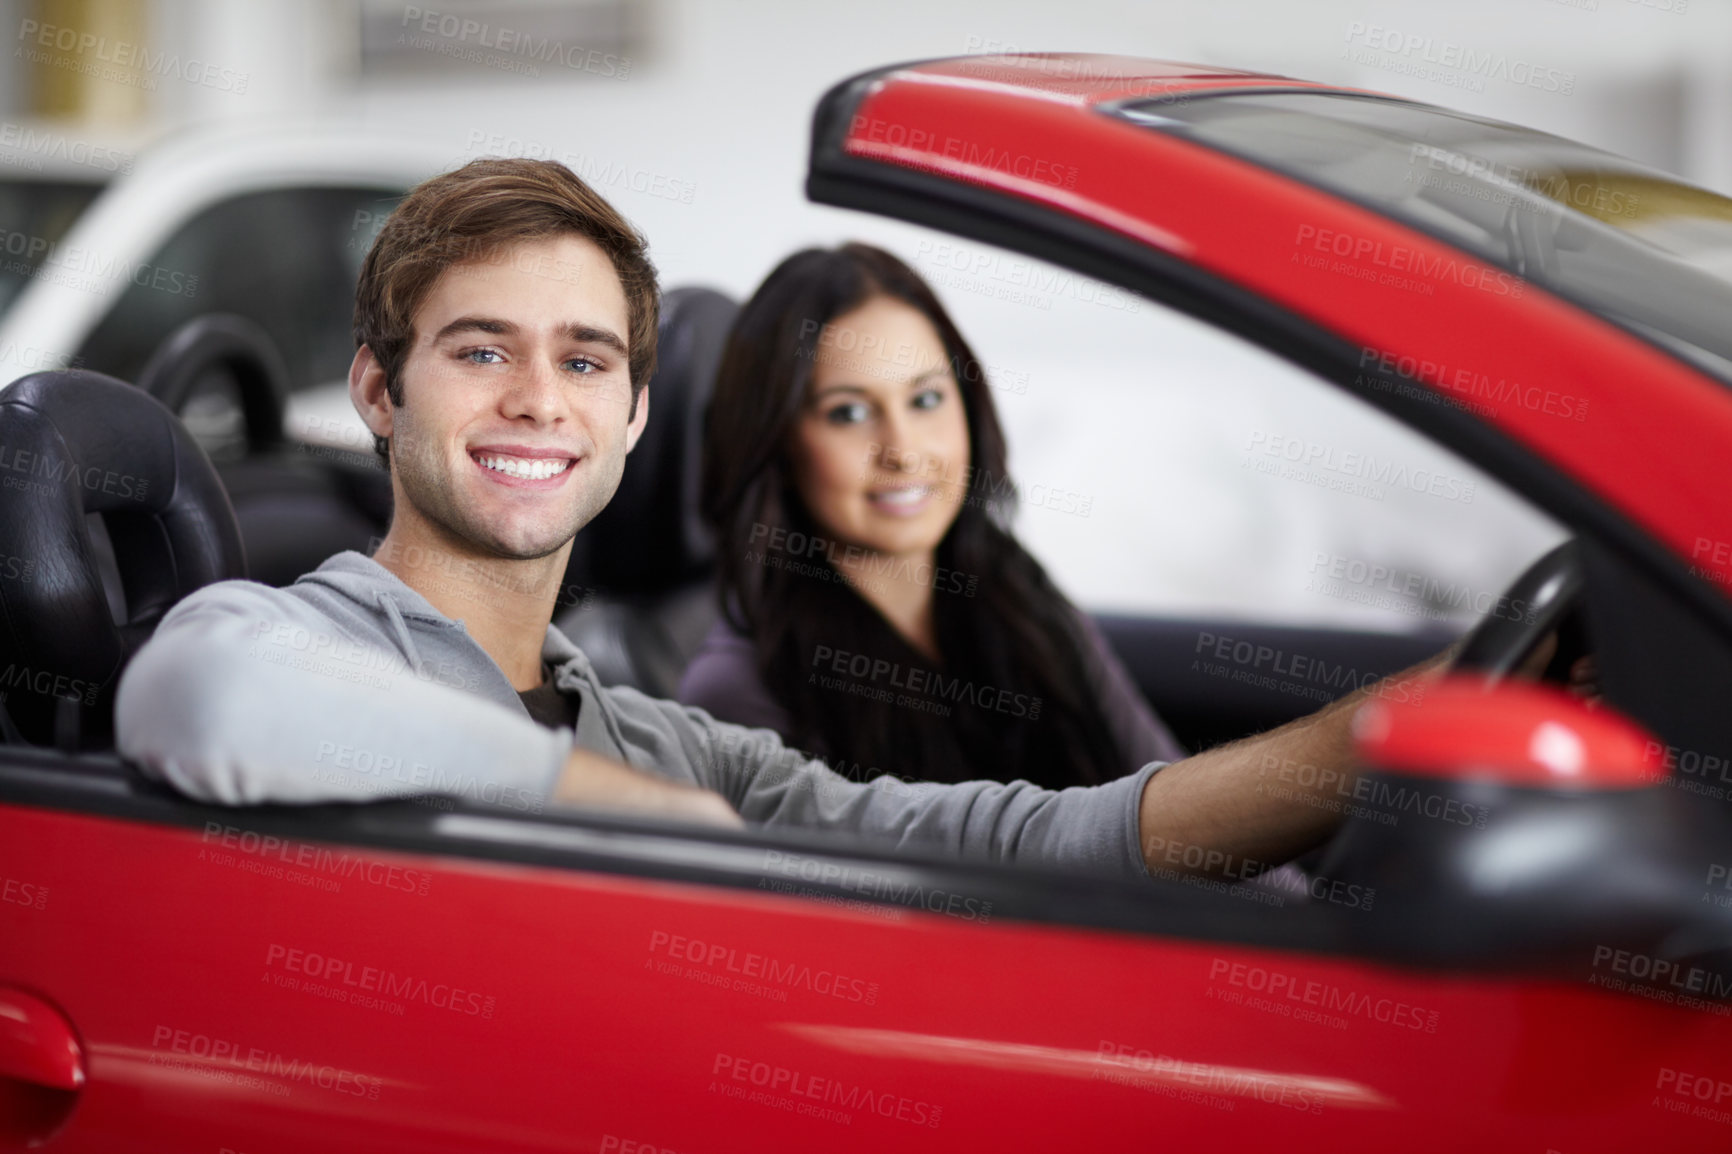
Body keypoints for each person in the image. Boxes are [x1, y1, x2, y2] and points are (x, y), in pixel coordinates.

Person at [116, 157, 1439, 885]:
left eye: (584, 362)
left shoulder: (667, 738)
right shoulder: (291, 633)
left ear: (636, 415)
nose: (537, 400)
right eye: (479, 351)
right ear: (374, 389)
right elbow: (198, 688)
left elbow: (1022, 837)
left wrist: (1374, 739)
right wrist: (639, 819)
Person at [680, 243, 1183, 791]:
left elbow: (1176, 799)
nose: (904, 450)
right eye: (848, 412)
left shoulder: (1016, 589)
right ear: (776, 445)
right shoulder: (739, 692)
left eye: (925, 400)